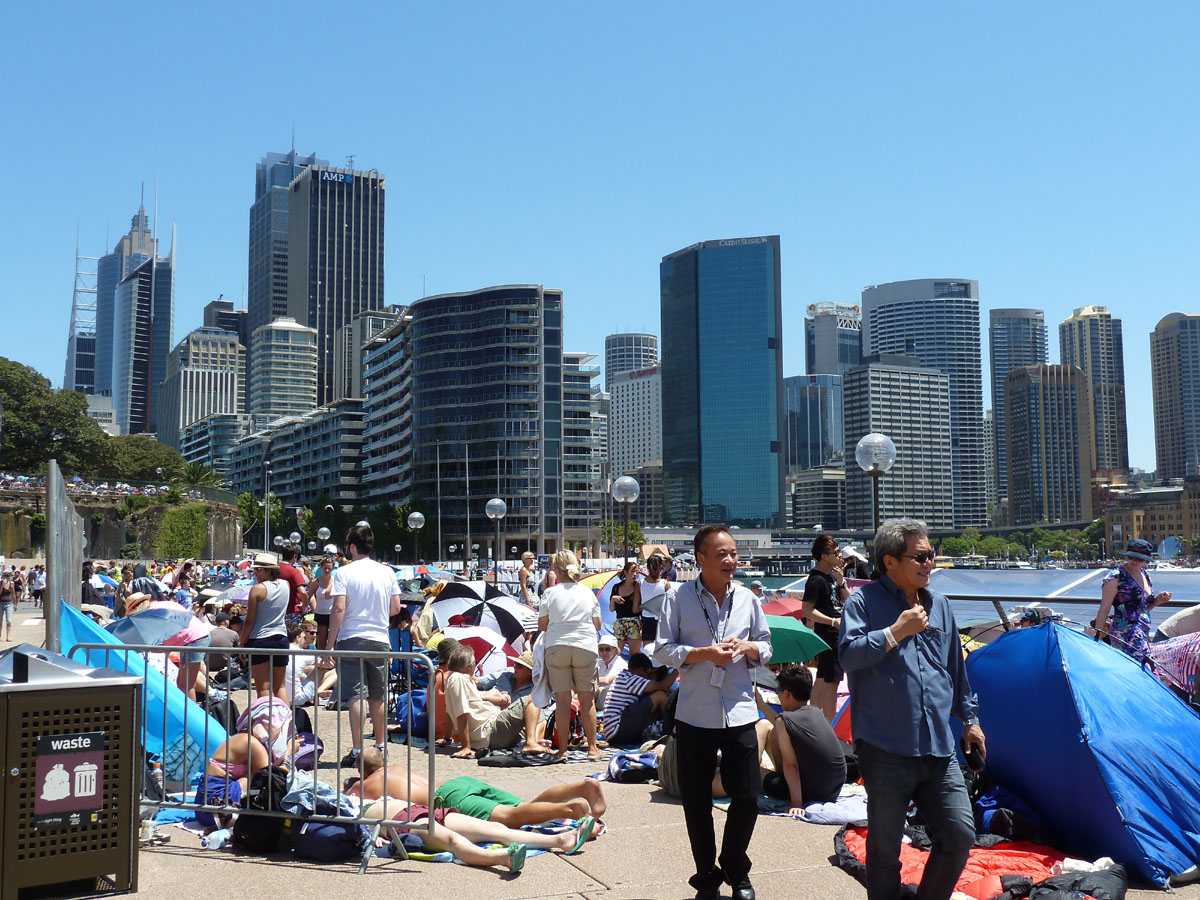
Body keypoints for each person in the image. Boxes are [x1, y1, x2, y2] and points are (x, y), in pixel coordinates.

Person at [839, 518, 984, 900]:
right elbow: (848, 655)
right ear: (889, 561)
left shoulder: (941, 606)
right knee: (884, 852)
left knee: (959, 834)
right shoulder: (861, 603)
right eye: (920, 556)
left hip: (939, 748)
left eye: (930, 554)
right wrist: (896, 631)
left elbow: (955, 669)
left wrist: (970, 719)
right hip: (885, 748)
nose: (929, 562)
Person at [655, 524, 773, 900]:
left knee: (748, 796)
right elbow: (661, 649)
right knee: (696, 801)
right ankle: (706, 876)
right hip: (695, 713)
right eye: (722, 554)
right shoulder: (677, 597)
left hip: (740, 709)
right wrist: (703, 653)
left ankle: (735, 866)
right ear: (700, 559)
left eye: (734, 553)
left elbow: (767, 646)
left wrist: (749, 647)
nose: (730, 560)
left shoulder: (748, 598)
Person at [349, 747, 607, 826]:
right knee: (524, 808)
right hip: (460, 782)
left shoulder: (365, 784)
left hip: (447, 798)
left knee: (510, 818)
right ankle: (583, 787)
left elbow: (342, 803)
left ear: (362, 770)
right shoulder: (397, 768)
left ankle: (570, 810)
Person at [325, 523, 401, 767]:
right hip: (379, 638)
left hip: (351, 637)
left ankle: (358, 749)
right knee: (378, 695)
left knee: (356, 695)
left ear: (352, 546)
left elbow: (338, 608)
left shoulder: (344, 573)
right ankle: (380, 747)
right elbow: (395, 608)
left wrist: (330, 644)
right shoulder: (387, 572)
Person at [539, 549, 604, 760]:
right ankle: (592, 748)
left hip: (557, 646)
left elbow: (542, 625)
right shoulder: (587, 592)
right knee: (587, 700)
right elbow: (598, 624)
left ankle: (563, 750)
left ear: (557, 570)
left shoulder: (550, 593)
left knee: (562, 701)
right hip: (585, 645)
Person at [762, 664, 846, 816]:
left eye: (778, 690)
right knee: (772, 732)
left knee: (753, 773)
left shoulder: (784, 720)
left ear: (786, 693)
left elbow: (791, 764)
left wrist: (797, 803)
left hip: (811, 792)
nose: (778, 695)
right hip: (832, 789)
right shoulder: (816, 711)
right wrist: (761, 705)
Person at [445, 644, 546, 757]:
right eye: (515, 664)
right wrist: (465, 747)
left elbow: (450, 711)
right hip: (490, 730)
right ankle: (531, 743)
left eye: (519, 666)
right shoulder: (460, 679)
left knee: (541, 718)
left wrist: (447, 738)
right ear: (469, 667)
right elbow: (461, 713)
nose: (515, 667)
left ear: (529, 672)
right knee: (532, 699)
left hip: (491, 728)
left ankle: (534, 742)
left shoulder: (456, 678)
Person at [1094, 538, 1172, 663]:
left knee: (1138, 668)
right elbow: (1104, 607)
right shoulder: (1116, 576)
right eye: (1131, 557)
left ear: (1146, 561)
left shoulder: (1145, 575)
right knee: (1147, 666)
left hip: (1142, 632)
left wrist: (1156, 601)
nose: (1134, 561)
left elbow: (1141, 610)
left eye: (1139, 559)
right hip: (1125, 634)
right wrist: (1097, 636)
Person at [801, 533, 849, 722]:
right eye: (835, 553)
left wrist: (841, 583)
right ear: (823, 556)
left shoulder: (832, 576)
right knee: (832, 681)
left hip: (836, 632)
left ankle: (814, 720)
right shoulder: (816, 580)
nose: (839, 555)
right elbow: (807, 610)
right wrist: (832, 621)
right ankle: (830, 724)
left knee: (823, 678)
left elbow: (848, 601)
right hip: (829, 634)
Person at [240, 552, 290, 702]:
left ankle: (267, 716)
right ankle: (286, 717)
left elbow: (249, 621)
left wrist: (242, 644)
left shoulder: (257, 589)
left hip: (260, 639)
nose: (255, 572)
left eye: (258, 569)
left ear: (269, 570)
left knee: (263, 688)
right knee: (280, 687)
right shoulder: (286, 585)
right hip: (281, 638)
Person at [601, 652, 676, 746]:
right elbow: (663, 686)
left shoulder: (623, 676)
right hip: (617, 729)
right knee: (660, 696)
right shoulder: (631, 679)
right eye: (647, 673)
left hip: (613, 731)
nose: (646, 677)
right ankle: (675, 731)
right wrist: (678, 669)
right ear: (641, 670)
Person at [610, 561, 642, 656]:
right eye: (632, 571)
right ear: (625, 572)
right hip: (620, 623)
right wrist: (613, 599)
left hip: (634, 623)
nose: (635, 574)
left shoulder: (638, 587)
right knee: (615, 654)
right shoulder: (616, 587)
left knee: (635, 656)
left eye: (637, 572)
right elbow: (611, 609)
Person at [640, 552, 672, 646]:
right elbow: (672, 606)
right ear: (661, 567)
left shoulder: (640, 584)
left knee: (647, 649)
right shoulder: (665, 584)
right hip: (662, 619)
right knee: (663, 648)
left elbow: (635, 609)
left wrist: (647, 606)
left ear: (647, 567)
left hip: (646, 620)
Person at [278, 545, 311, 626]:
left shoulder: (274, 569)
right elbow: (303, 592)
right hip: (291, 611)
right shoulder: (293, 571)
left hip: (275, 611)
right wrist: (305, 605)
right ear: (294, 557)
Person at [0, 569, 14, 642]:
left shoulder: (12, 584)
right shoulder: (0, 583)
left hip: (9, 603)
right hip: (1, 603)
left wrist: (15, 604)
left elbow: (13, 594)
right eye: (5, 576)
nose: (6, 577)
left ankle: (8, 636)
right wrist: (2, 586)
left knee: (9, 620)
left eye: (8, 576)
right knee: (0, 620)